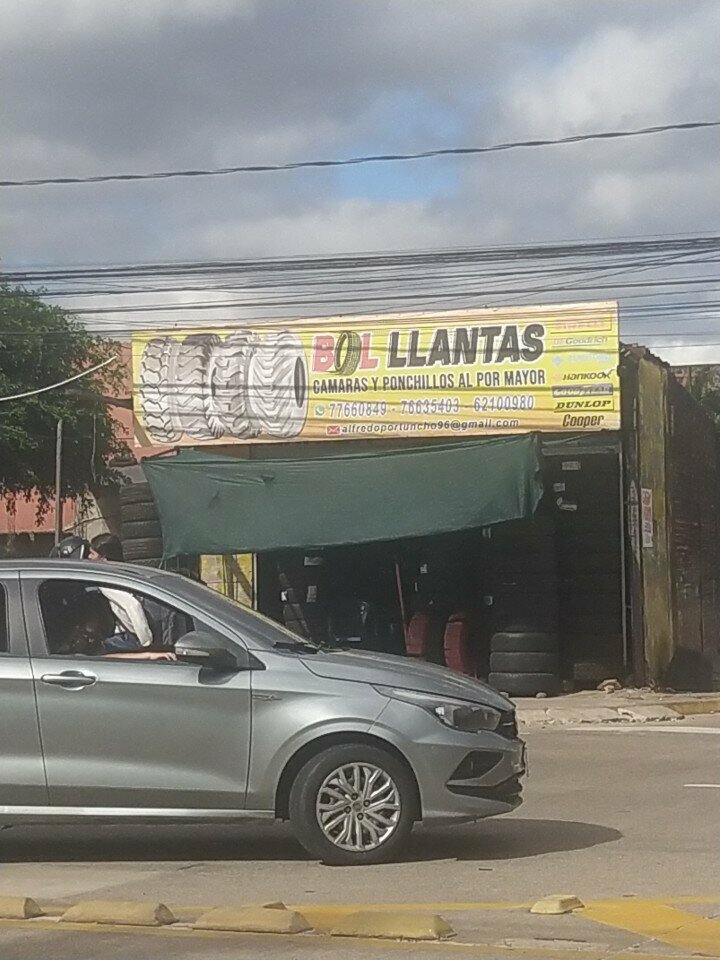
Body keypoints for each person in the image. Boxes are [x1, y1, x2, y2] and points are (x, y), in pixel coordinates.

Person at [57, 591, 175, 661]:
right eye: (73, 642)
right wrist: (148, 651)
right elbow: (108, 659)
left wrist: (148, 654)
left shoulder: (100, 644)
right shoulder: (72, 657)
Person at [88, 533, 153, 647]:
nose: (89, 557)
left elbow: (133, 606)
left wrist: (146, 643)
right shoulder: (123, 574)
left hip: (125, 639)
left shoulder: (108, 583)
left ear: (104, 558)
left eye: (92, 554)